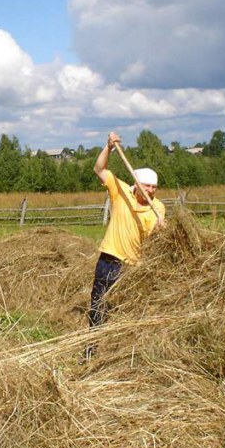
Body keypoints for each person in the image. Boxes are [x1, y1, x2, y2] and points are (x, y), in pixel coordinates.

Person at [85, 132, 166, 358]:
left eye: (154, 187)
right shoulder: (119, 191)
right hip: (108, 261)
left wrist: (161, 228)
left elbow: (153, 242)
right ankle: (91, 349)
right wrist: (109, 147)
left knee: (124, 311)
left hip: (132, 268)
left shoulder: (157, 209)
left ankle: (120, 353)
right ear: (136, 183)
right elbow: (99, 170)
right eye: (147, 186)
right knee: (98, 306)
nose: (151, 190)